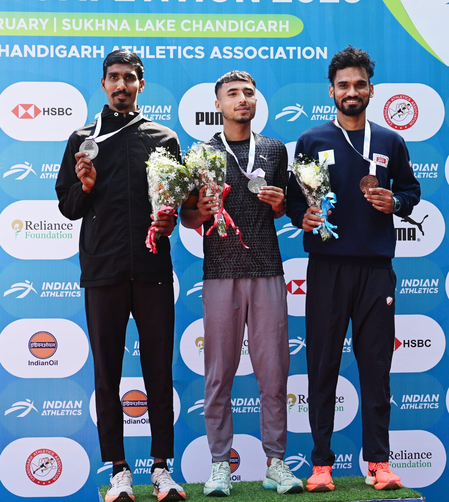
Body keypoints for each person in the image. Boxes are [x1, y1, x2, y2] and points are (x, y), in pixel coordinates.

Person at [287, 46, 420, 493]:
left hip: (376, 270)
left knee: (376, 368)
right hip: (327, 268)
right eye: (343, 85)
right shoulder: (311, 140)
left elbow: (411, 191)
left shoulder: (390, 141)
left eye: (359, 84)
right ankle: (321, 465)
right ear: (331, 91)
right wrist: (302, 217)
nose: (352, 91)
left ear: (370, 91)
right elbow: (294, 200)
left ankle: (379, 462)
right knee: (322, 366)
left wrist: (395, 201)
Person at [56, 50, 186, 502]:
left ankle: (162, 469)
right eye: (114, 77)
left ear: (141, 84)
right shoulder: (82, 138)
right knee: (106, 375)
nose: (121, 85)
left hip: (152, 271)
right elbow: (68, 207)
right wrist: (85, 186)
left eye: (130, 77)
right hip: (103, 271)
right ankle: (118, 471)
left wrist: (169, 219)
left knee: (158, 373)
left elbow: (175, 205)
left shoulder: (164, 138)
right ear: (103, 83)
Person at [180, 70, 303, 497]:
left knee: (274, 372)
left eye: (248, 92)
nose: (242, 99)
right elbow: (188, 217)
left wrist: (281, 204)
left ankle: (276, 463)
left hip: (267, 269)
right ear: (218, 104)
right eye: (232, 93)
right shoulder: (201, 152)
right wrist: (201, 210)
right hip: (220, 272)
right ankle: (220, 465)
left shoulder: (274, 149)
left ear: (256, 100)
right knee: (218, 374)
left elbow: (285, 209)